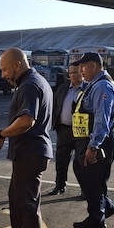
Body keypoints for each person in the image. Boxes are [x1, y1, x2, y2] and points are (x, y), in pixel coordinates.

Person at [0, 47, 53, 228]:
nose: (4, 75)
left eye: (6, 69)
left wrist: (2, 134)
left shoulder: (29, 85)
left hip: (30, 153)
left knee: (27, 205)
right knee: (18, 202)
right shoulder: (36, 81)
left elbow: (27, 120)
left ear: (17, 64)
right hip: (28, 153)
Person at [70, 52, 114, 228]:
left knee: (93, 180)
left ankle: (96, 219)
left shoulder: (102, 87)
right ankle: (106, 207)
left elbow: (102, 119)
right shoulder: (94, 85)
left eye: (83, 67)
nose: (80, 71)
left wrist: (93, 146)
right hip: (91, 140)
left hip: (100, 142)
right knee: (87, 176)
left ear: (92, 66)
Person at [48, 62, 86, 199]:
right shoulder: (63, 89)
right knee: (61, 160)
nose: (72, 75)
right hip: (63, 130)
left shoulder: (87, 89)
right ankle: (59, 185)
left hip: (81, 132)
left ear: (82, 72)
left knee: (80, 163)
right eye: (70, 73)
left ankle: (84, 189)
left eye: (75, 72)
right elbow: (54, 106)